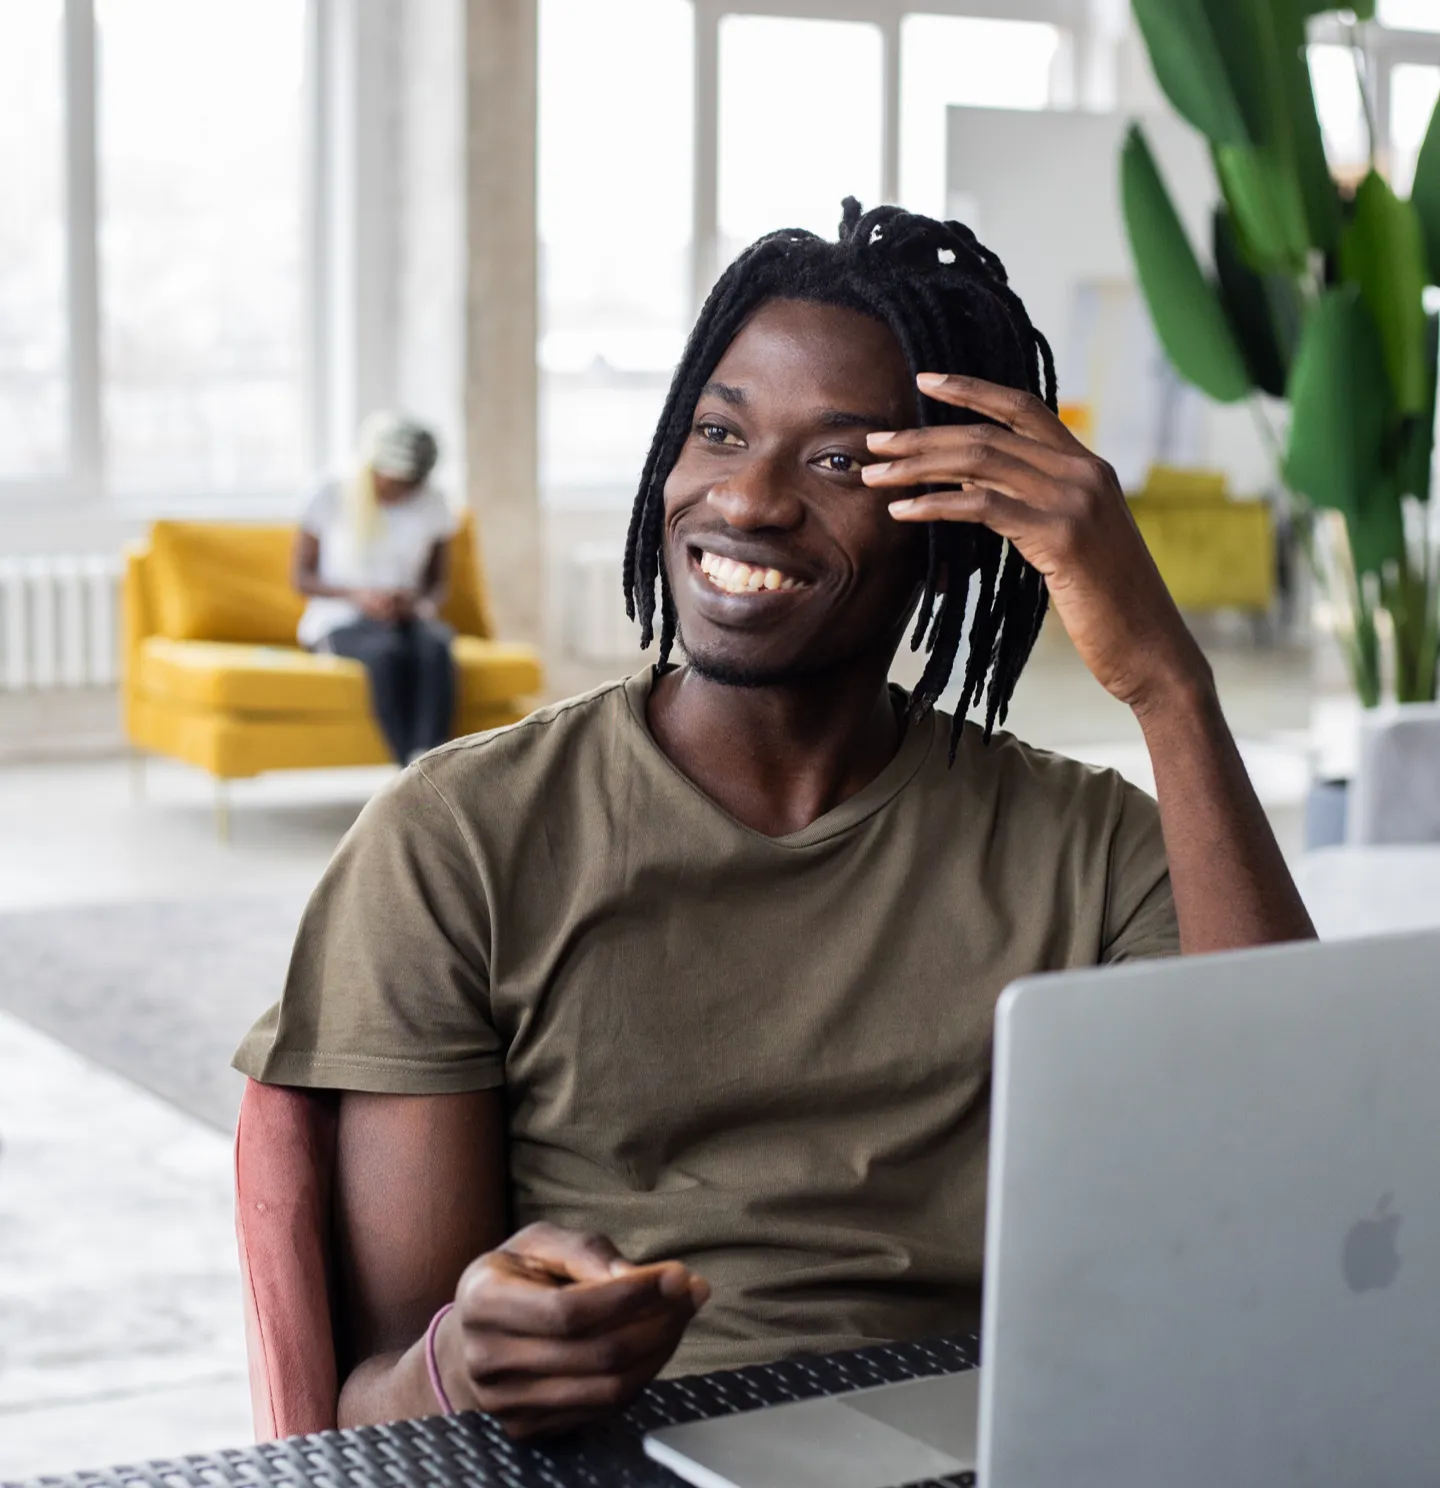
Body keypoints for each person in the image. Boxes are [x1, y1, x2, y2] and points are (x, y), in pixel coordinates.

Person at [236, 201, 1314, 1438]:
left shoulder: (1094, 848)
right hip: (614, 1453)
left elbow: (1283, 1175)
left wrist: (1168, 687)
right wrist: (466, 1366)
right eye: (718, 430)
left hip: (985, 1437)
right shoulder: (454, 839)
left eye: (840, 460)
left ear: (962, 523)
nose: (747, 500)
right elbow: (371, 1412)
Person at [293, 412, 458, 764]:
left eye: (412, 484)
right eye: (397, 481)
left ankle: (433, 763)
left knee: (436, 649)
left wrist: (413, 602)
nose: (404, 491)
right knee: (386, 655)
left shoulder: (435, 502)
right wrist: (359, 597)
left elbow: (437, 585)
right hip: (341, 618)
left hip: (406, 617)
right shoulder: (329, 494)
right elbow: (301, 578)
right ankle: (409, 772)